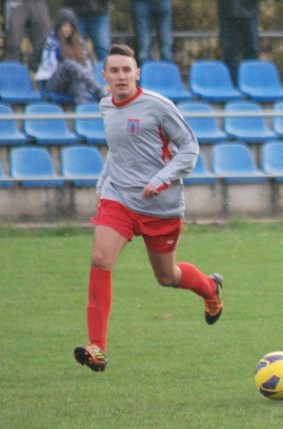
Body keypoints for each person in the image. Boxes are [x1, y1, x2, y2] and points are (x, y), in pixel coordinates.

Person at [73, 44, 224, 373]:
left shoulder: (158, 107)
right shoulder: (105, 106)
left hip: (161, 206)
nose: (121, 76)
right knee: (100, 259)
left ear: (137, 73)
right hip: (120, 199)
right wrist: (102, 185)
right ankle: (97, 346)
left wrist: (161, 179)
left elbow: (190, 148)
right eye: (114, 71)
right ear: (105, 76)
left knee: (167, 277)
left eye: (127, 70)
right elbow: (117, 150)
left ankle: (210, 289)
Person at [34, 8, 105, 105]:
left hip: (73, 82)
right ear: (59, 26)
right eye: (64, 26)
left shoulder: (79, 43)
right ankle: (97, 89)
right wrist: (46, 67)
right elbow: (32, 61)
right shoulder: (48, 42)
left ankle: (83, 114)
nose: (67, 29)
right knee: (68, 64)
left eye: (70, 26)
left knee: (78, 84)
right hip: (53, 83)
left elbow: (89, 63)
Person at [217, 0, 260, 82]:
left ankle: (251, 81)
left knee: (251, 48)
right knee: (229, 51)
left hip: (249, 11)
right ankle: (231, 82)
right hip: (227, 12)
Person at [4, 0, 51, 71]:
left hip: (39, 3)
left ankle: (43, 75)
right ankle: (11, 74)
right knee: (13, 43)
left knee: (44, 43)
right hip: (16, 2)